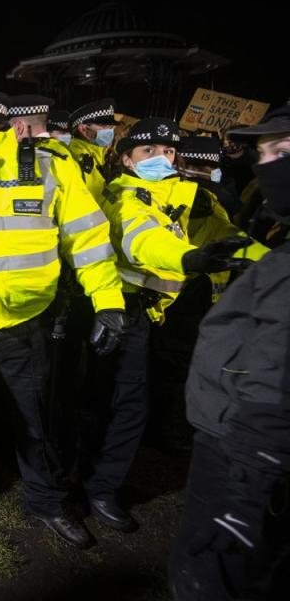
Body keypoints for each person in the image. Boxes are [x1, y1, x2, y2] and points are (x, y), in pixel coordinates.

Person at [0, 88, 126, 549]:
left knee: (38, 420)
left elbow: (89, 238)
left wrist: (108, 301)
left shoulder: (48, 166)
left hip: (27, 322)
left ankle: (48, 500)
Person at [88, 118, 269, 531]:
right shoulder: (123, 196)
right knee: (124, 404)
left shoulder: (189, 197)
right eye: (148, 151)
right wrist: (190, 259)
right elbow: (142, 239)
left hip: (155, 313)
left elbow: (227, 234)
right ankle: (101, 488)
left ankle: (100, 473)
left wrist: (272, 260)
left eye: (168, 151)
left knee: (127, 400)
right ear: (127, 160)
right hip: (117, 310)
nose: (161, 159)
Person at [169, 106, 290, 601]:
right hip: (237, 441)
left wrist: (244, 496)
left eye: (282, 151)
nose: (268, 165)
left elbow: (275, 381)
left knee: (212, 577)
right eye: (264, 153)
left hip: (240, 448)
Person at [68, 99, 118, 204]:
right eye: (104, 126)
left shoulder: (101, 155)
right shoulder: (78, 159)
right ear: (83, 129)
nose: (110, 130)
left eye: (111, 126)